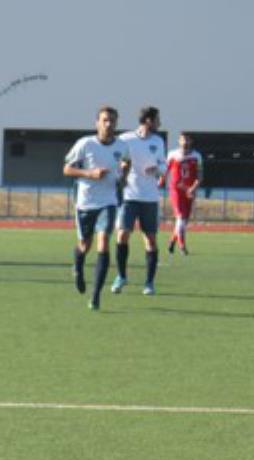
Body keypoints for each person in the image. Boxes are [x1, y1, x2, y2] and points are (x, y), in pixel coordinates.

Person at [63, 106, 130, 310]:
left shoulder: (122, 146)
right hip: (85, 203)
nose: (108, 124)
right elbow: (66, 169)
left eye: (112, 121)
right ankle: (78, 267)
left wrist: (124, 175)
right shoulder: (85, 144)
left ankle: (95, 295)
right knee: (84, 244)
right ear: (97, 123)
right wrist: (90, 174)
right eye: (104, 120)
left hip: (108, 202)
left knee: (103, 242)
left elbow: (124, 171)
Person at [113, 106, 167, 296]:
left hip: (150, 197)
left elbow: (164, 165)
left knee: (151, 240)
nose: (160, 122)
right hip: (129, 196)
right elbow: (116, 159)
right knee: (122, 235)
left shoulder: (158, 141)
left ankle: (149, 283)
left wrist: (157, 169)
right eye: (157, 119)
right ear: (148, 120)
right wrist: (120, 169)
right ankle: (121, 276)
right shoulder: (126, 139)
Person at [162, 132, 203, 256]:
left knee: (184, 220)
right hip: (176, 189)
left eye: (187, 140)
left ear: (191, 141)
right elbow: (165, 170)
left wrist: (193, 187)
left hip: (189, 190)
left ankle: (172, 241)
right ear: (179, 141)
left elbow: (200, 175)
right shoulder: (172, 154)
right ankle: (182, 246)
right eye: (182, 140)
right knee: (179, 217)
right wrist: (160, 181)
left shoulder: (197, 156)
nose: (185, 142)